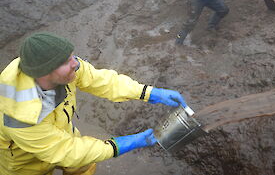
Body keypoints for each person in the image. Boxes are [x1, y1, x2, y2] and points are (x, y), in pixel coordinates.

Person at [0, 32, 188, 175]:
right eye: (67, 61)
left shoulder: (67, 69)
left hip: (63, 131)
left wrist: (148, 92)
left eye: (72, 56)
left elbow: (101, 81)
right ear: (44, 73)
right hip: (25, 162)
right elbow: (65, 151)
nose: (75, 63)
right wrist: (117, 146)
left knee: (85, 164)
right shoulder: (20, 118)